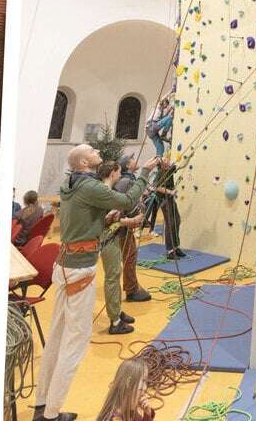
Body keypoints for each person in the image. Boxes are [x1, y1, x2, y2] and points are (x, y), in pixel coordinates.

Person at [33, 144, 162, 421]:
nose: (96, 150)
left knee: (56, 337)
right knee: (75, 344)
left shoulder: (72, 185)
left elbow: (80, 222)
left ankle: (43, 404)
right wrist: (146, 174)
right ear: (82, 162)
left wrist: (103, 220)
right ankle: (52, 413)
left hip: (66, 265)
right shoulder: (88, 186)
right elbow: (127, 201)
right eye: (90, 150)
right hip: (79, 270)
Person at [96, 161, 143, 334]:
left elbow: (108, 218)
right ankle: (115, 322)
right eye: (119, 172)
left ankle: (116, 312)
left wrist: (118, 218)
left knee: (115, 276)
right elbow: (103, 221)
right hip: (107, 239)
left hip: (112, 237)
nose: (121, 174)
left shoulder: (106, 191)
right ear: (113, 173)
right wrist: (129, 221)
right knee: (112, 278)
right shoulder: (104, 192)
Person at [113, 158, 152, 304]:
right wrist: (133, 217)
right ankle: (131, 289)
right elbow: (126, 203)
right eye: (132, 160)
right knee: (129, 256)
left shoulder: (129, 180)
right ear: (128, 165)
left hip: (123, 226)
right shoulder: (125, 182)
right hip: (122, 228)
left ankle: (132, 286)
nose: (136, 161)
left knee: (130, 255)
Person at [141, 159, 184, 259]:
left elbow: (180, 165)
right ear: (163, 165)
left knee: (177, 220)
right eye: (166, 160)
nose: (169, 161)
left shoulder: (170, 168)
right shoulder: (161, 172)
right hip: (164, 200)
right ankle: (170, 250)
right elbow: (156, 187)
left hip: (170, 199)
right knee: (170, 223)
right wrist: (170, 191)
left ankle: (176, 247)